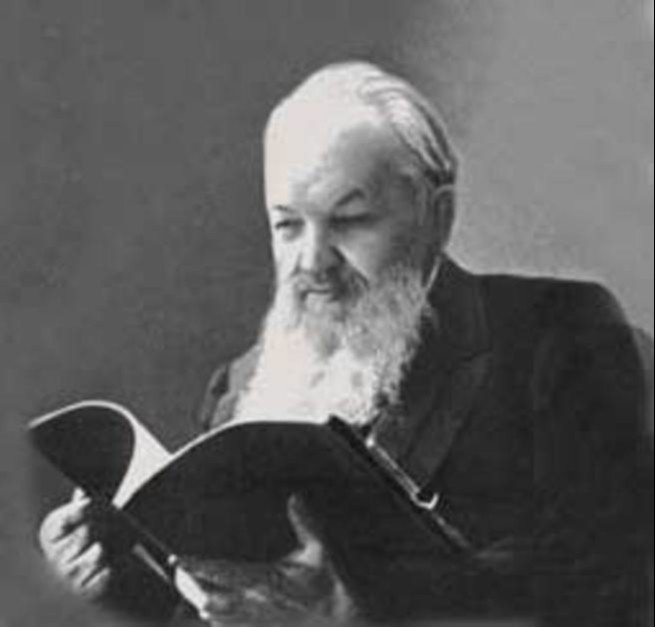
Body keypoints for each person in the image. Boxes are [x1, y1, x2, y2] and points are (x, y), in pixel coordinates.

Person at [38, 62, 652, 626]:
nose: (312, 262)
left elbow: (614, 585)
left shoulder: (559, 335)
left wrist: (356, 613)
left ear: (437, 217)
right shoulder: (238, 389)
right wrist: (118, 583)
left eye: (350, 221)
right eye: (287, 225)